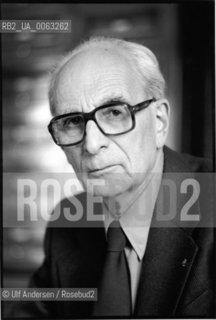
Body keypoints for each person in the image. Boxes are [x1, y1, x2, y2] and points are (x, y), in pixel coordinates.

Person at [12, 37, 214, 317]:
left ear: (159, 122)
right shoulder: (68, 220)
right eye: (72, 121)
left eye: (115, 112)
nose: (92, 144)